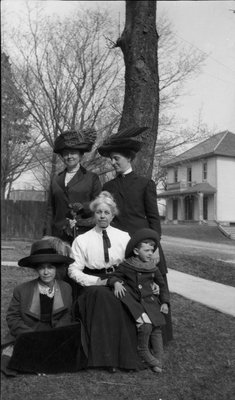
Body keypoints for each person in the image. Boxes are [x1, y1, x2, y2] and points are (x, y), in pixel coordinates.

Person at [98, 126, 173, 343]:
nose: (113, 162)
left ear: (129, 158)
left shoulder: (145, 184)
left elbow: (153, 219)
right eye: (111, 159)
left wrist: (155, 247)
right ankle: (132, 336)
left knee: (154, 289)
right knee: (129, 290)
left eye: (116, 158)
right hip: (121, 247)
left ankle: (160, 336)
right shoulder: (108, 186)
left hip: (147, 245)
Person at [68, 192, 144, 371]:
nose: (102, 216)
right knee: (103, 296)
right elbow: (73, 270)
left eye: (107, 212)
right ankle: (107, 358)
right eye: (99, 212)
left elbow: (133, 262)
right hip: (94, 281)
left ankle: (124, 356)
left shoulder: (124, 237)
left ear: (113, 214)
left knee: (121, 297)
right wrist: (96, 281)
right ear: (94, 214)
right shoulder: (82, 240)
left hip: (120, 278)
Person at [1, 237, 86, 376]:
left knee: (74, 337)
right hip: (30, 332)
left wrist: (54, 336)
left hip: (54, 332)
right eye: (41, 268)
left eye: (50, 267)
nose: (46, 272)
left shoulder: (66, 288)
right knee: (14, 355)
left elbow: (67, 314)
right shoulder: (22, 290)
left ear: (56, 268)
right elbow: (12, 317)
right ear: (36, 269)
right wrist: (30, 335)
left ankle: (42, 362)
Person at [107, 228, 170, 373]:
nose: (150, 253)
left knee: (157, 329)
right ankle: (143, 351)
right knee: (146, 327)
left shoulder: (152, 267)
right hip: (135, 301)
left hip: (151, 302)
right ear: (136, 251)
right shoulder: (127, 265)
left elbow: (162, 285)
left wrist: (165, 302)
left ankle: (158, 360)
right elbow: (113, 276)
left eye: (152, 250)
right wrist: (116, 283)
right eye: (146, 250)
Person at [43, 129, 102, 245]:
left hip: (84, 234)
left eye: (73, 152)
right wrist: (47, 236)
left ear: (80, 155)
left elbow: (99, 204)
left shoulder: (92, 178)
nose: (69, 156)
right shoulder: (55, 179)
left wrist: (83, 207)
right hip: (58, 237)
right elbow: (50, 210)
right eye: (65, 153)